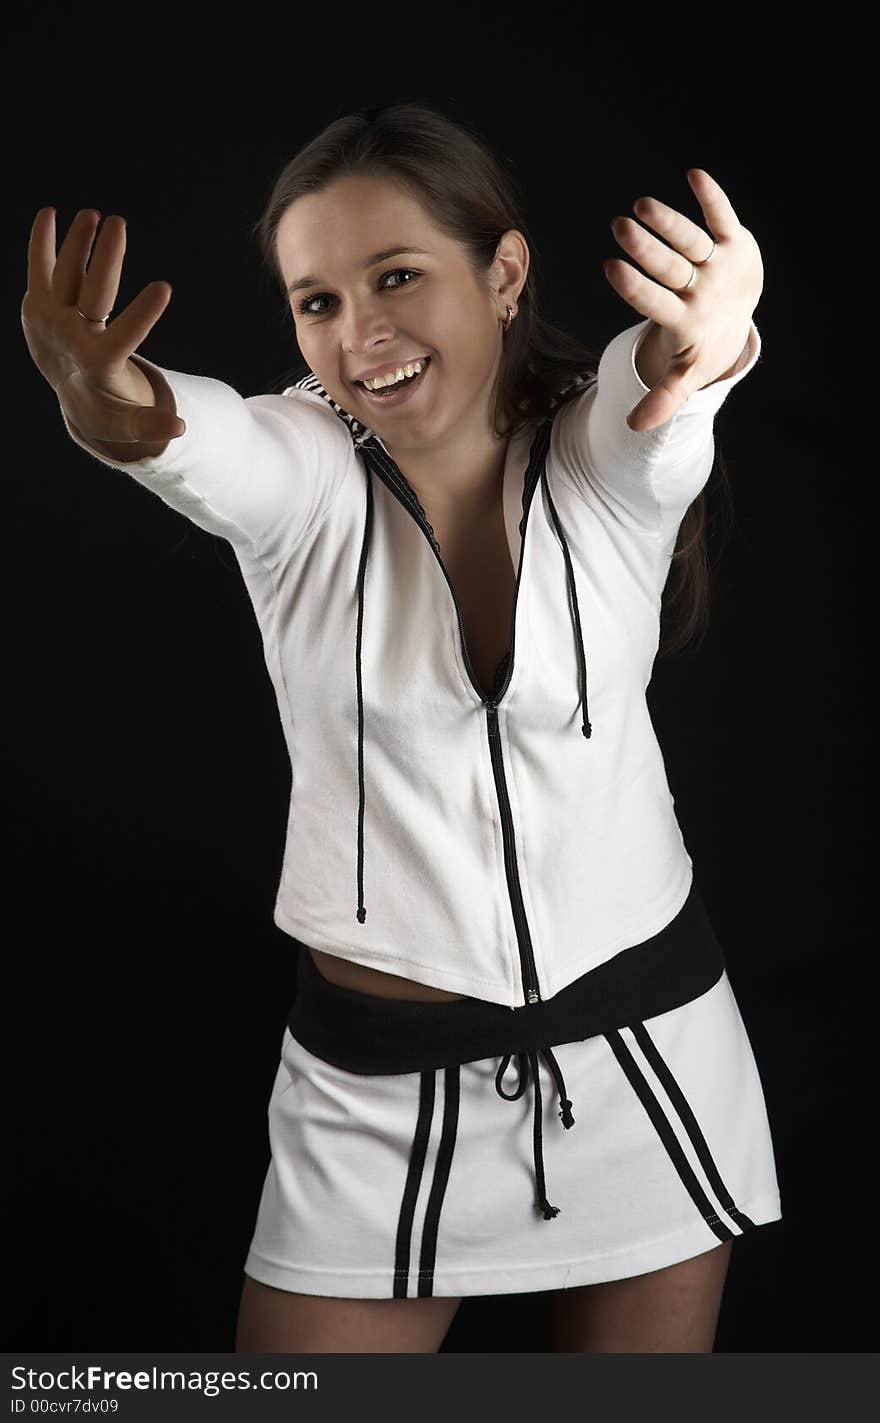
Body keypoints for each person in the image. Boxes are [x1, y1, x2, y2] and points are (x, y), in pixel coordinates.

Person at [22, 102, 781, 1353]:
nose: (360, 332)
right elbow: (197, 439)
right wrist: (104, 395)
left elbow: (654, 412)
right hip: (372, 1089)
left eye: (397, 277)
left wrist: (707, 345)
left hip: (647, 1048)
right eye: (316, 302)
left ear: (504, 273)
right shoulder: (307, 478)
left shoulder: (595, 462)